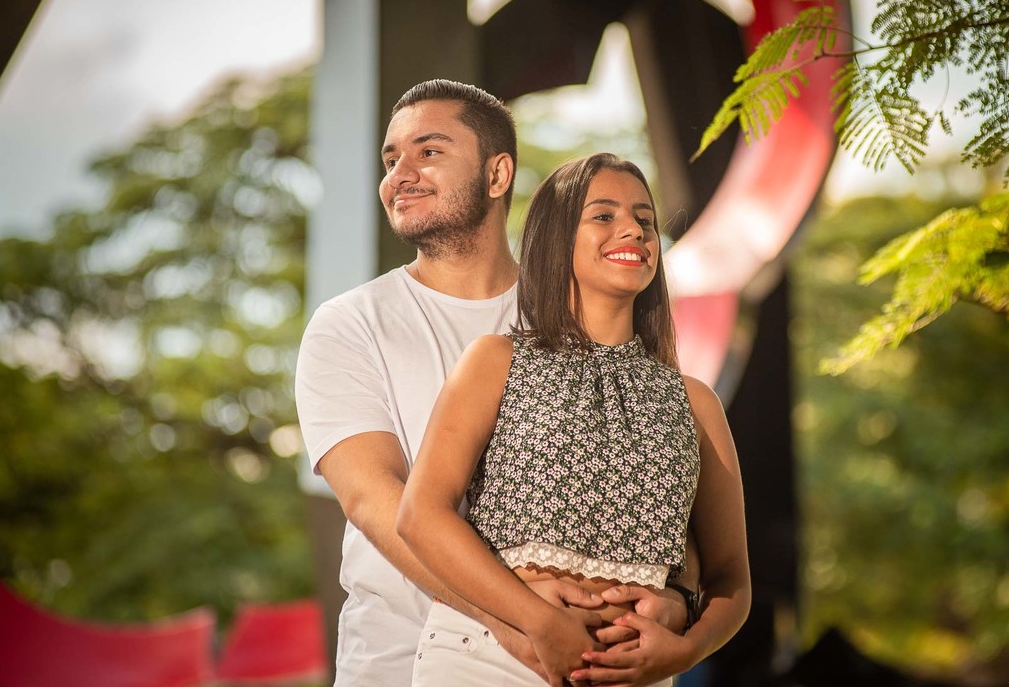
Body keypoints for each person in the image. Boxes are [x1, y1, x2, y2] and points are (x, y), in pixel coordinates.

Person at [295, 81, 694, 686]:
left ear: (498, 172)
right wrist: (518, 621)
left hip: (581, 663)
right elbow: (375, 502)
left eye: (428, 151)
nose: (400, 173)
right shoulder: (349, 324)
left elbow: (657, 486)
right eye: (390, 158)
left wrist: (681, 598)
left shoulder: (585, 318)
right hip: (395, 664)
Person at [398, 153, 751, 686]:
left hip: (636, 674)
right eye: (604, 216)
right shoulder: (496, 360)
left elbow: (732, 579)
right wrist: (537, 621)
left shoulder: (696, 401)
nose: (633, 228)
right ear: (557, 239)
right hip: (491, 657)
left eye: (645, 219)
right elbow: (420, 516)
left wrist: (682, 653)